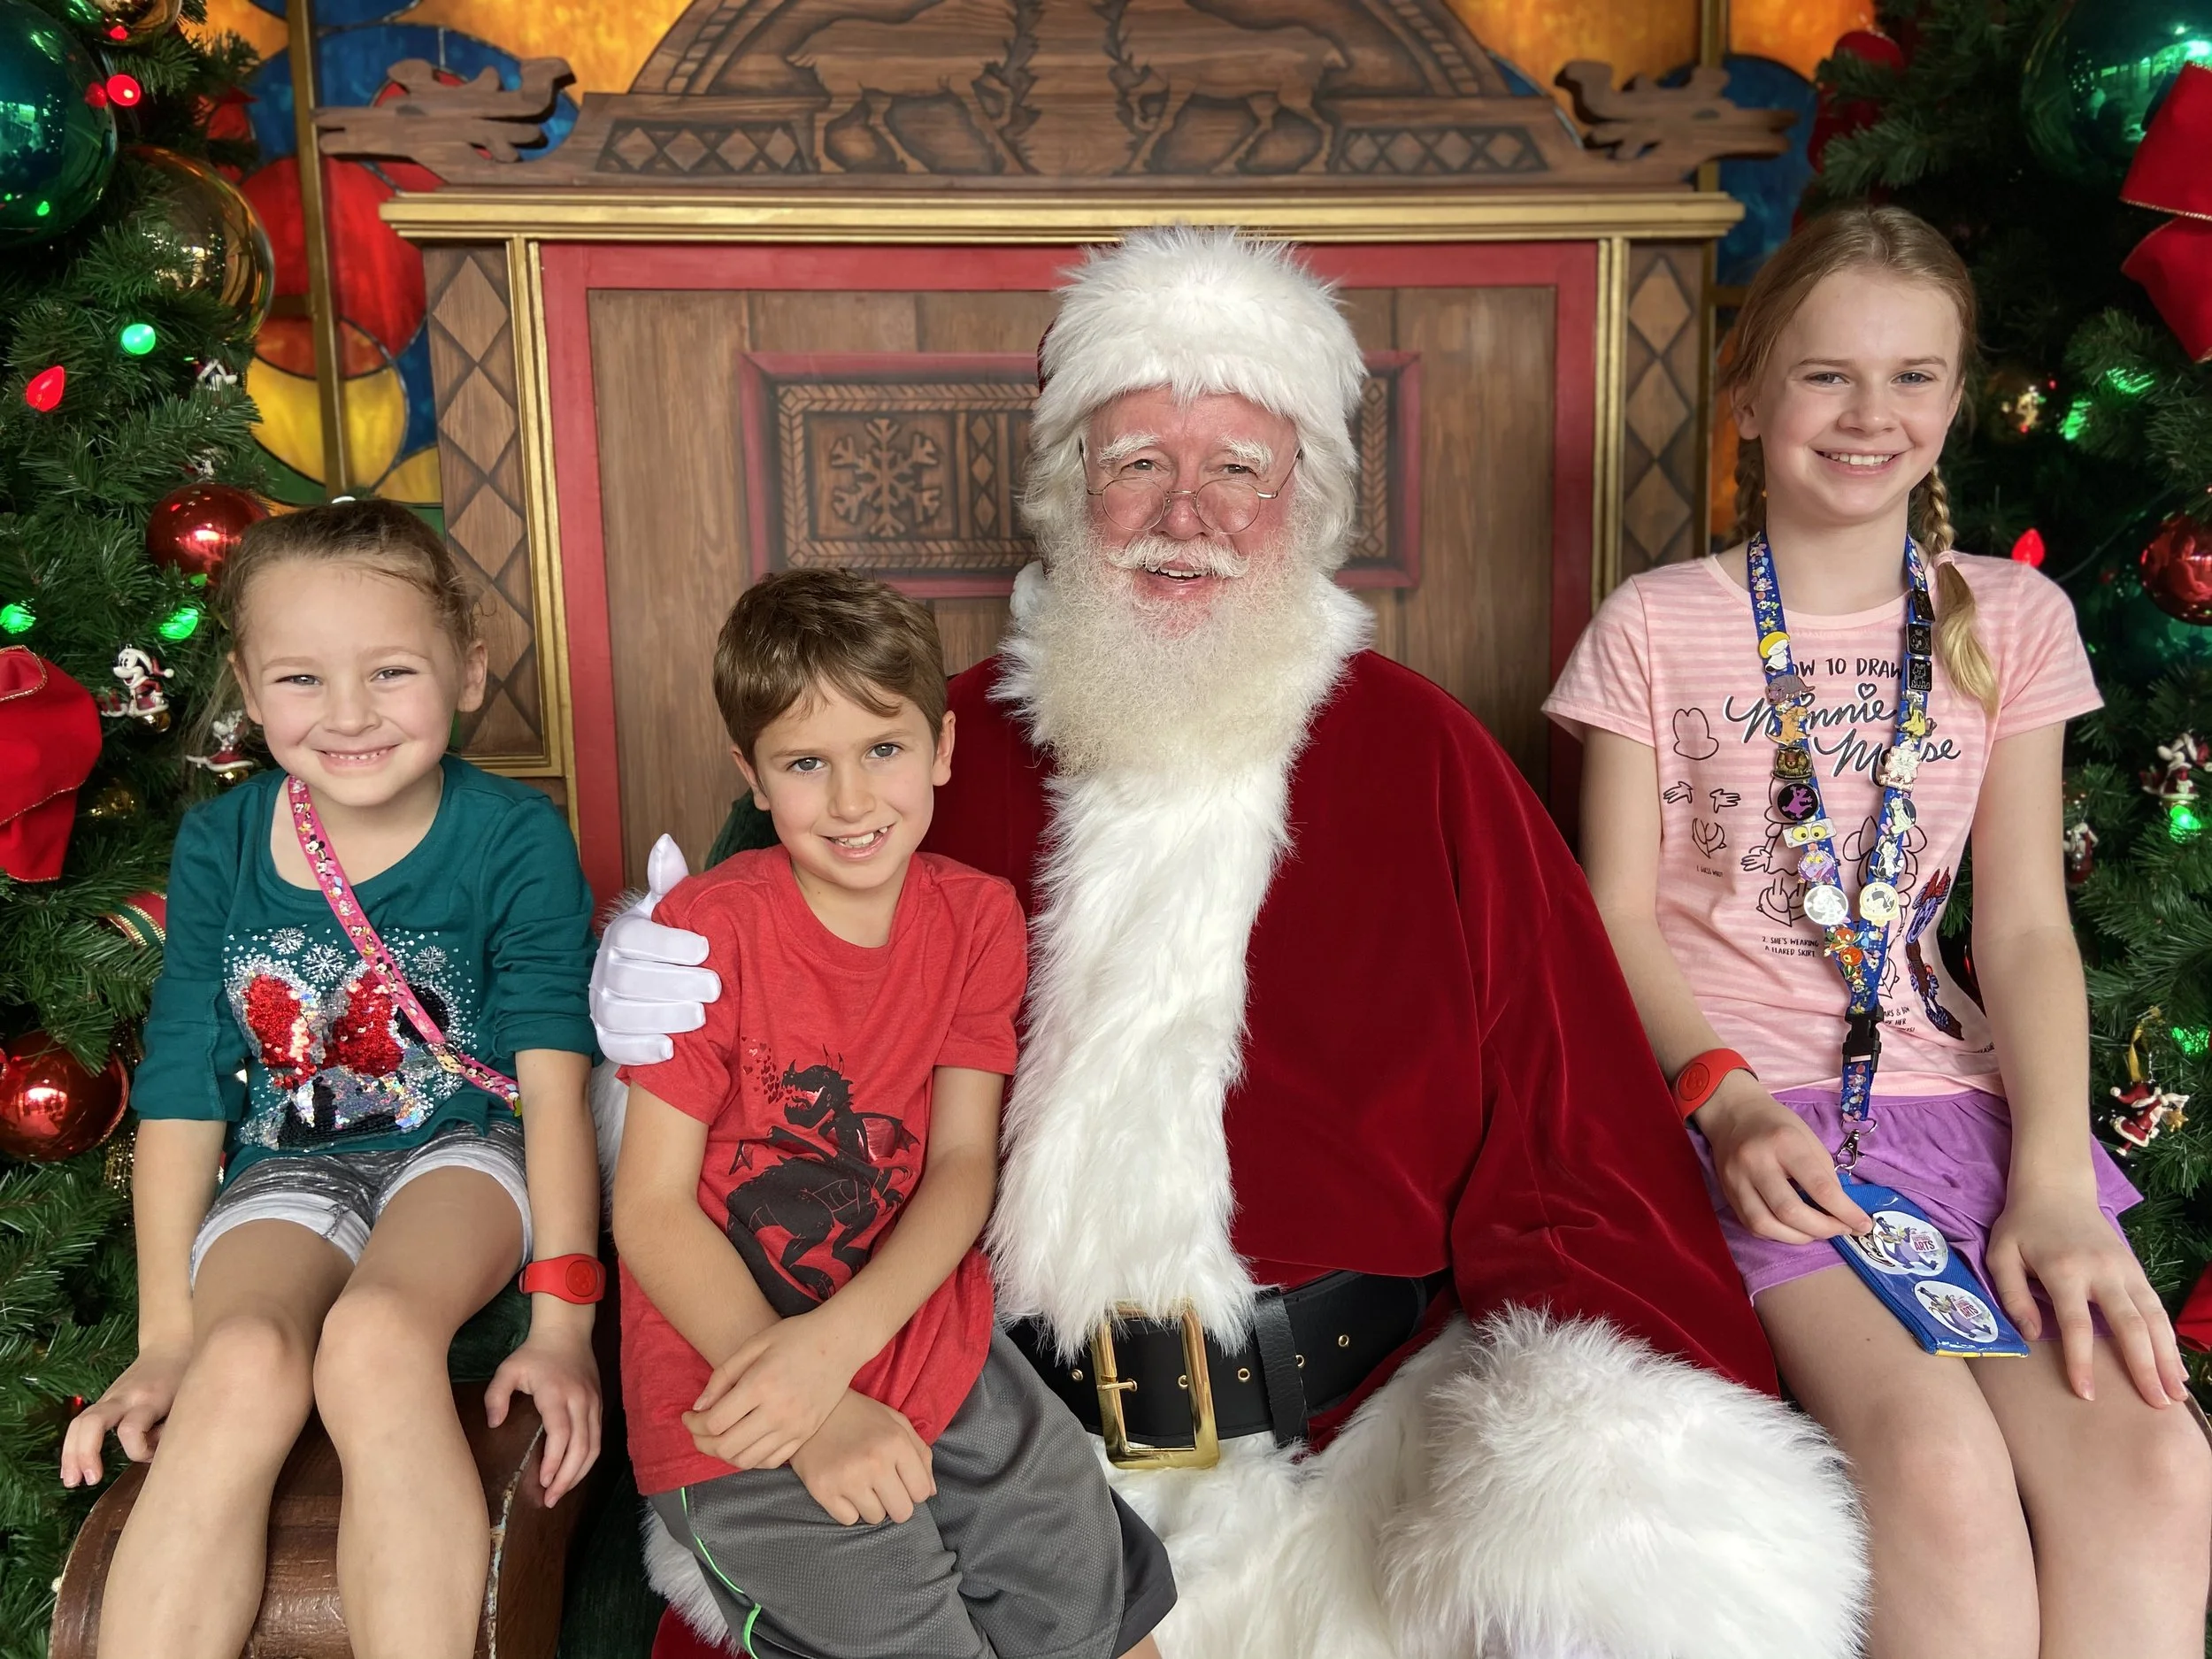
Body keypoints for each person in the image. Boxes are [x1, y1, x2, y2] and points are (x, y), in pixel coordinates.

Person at [595, 227, 1866, 1659]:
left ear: (1309, 502)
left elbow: (1578, 1152)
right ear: (1070, 492)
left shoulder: (1425, 759)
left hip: (1353, 1472)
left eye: (1237, 469)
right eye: (1136, 460)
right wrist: (656, 988)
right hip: (970, 1452)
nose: (1179, 512)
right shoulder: (922, 763)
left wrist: (1625, 1486)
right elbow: (751, 1092)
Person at [1546, 204, 2212, 1659]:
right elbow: (1609, 915)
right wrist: (1719, 1102)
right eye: (1828, 374)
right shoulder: (1658, 624)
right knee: (1942, 1472)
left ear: (1959, 401)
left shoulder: (2009, 616)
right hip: (1749, 1127)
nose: (1873, 416)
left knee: (2159, 1462)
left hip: (1958, 1122)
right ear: (1749, 390)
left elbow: (2026, 927)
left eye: (1916, 377)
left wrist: (2048, 1181)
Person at [59, 499, 603, 1659]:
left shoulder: (513, 835)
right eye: (302, 679)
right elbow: (183, 1094)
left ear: (468, 670)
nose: (349, 714)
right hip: (287, 1159)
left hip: (461, 1146)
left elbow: (556, 1087)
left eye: (392, 669)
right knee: (242, 1356)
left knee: (375, 1336)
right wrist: (168, 1337)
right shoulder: (219, 843)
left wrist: (562, 1323)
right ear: (252, 693)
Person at [609, 570, 1173, 1659]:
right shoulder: (709, 930)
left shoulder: (976, 918)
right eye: (805, 765)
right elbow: (651, 1209)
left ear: (942, 749)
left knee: (1098, 1622)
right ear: (753, 778)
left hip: (932, 1344)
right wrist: (811, 1398)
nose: (854, 800)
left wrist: (841, 1348)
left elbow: (963, 1163)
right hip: (733, 1385)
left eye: (883, 749)